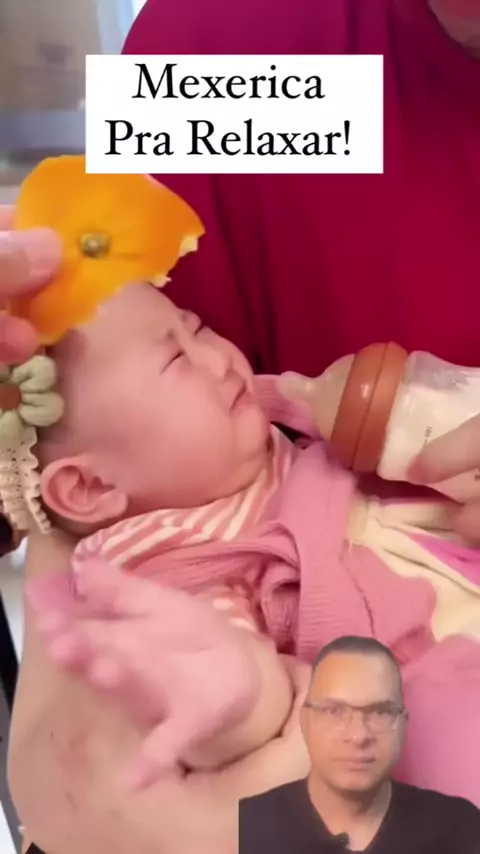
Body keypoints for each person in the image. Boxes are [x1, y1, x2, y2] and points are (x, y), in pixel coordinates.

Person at [1, 0, 478, 851]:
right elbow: (96, 449)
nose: (216, 356)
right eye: (183, 350)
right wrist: (66, 751)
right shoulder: (226, 46)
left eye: (199, 337)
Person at [239, 636, 480, 854]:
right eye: (334, 711)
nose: (358, 735)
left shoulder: (457, 824)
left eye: (380, 712)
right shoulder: (251, 824)